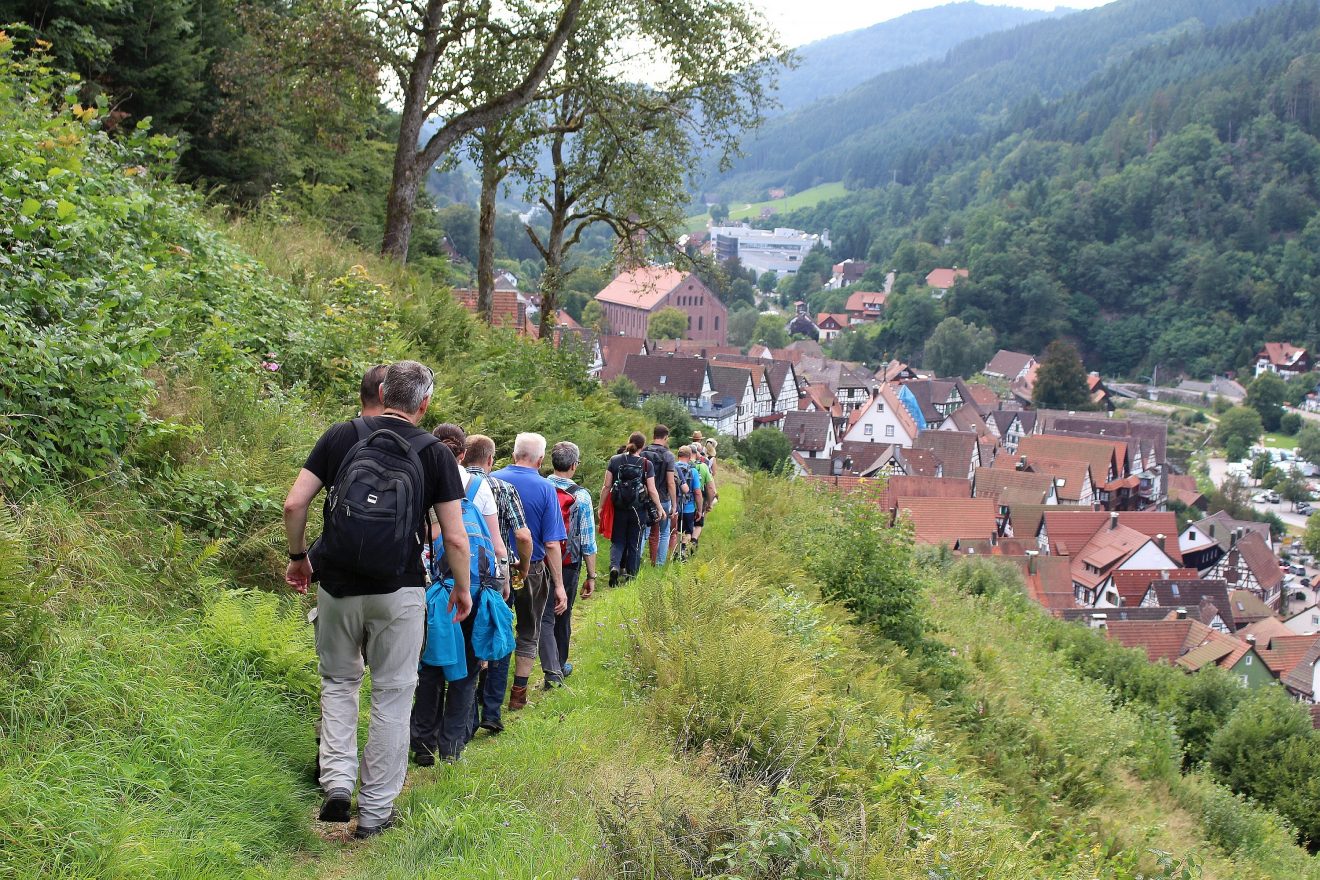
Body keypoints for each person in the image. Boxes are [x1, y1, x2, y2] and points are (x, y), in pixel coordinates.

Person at [283, 360, 469, 839]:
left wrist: (300, 557)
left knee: (339, 683)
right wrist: (464, 590)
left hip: (337, 587)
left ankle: (338, 783)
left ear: (383, 391)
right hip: (399, 590)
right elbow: (455, 537)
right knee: (392, 693)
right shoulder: (435, 455)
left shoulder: (341, 435)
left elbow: (294, 503)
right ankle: (374, 813)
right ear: (424, 404)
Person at [409, 424, 508, 766]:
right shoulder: (480, 486)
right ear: (463, 453)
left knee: (431, 667)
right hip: (476, 590)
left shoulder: (419, 477)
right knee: (467, 671)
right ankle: (452, 748)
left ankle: (422, 744)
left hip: (431, 590)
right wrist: (503, 582)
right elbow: (495, 545)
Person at [491, 433, 567, 712]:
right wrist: (559, 585)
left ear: (513, 455)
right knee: (528, 630)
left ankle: (487, 693)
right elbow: (551, 543)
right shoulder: (546, 488)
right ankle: (518, 695)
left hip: (495, 569)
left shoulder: (492, 479)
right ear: (541, 459)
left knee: (493, 626)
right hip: (531, 570)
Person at [463, 433, 533, 735]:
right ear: (491, 459)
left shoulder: (454, 481)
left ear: (464, 455)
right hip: (493, 573)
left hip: (457, 570)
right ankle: (491, 710)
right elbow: (521, 534)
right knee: (499, 636)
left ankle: (464, 714)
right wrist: (521, 569)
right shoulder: (504, 489)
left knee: (465, 641)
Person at [541, 441, 597, 687]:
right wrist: (592, 575)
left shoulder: (540, 486)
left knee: (541, 616)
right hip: (567, 562)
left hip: (537, 559)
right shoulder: (581, 496)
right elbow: (587, 540)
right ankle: (559, 667)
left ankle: (545, 665)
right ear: (574, 465)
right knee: (562, 615)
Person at [602, 432, 663, 586]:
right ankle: (631, 577)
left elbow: (607, 486)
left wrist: (601, 506)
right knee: (634, 543)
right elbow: (652, 489)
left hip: (619, 507)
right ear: (642, 447)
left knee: (618, 541)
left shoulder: (615, 460)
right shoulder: (646, 464)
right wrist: (659, 508)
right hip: (638, 510)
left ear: (628, 442)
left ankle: (615, 566)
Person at [640, 425, 677, 566]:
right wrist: (674, 504)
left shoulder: (643, 452)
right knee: (664, 532)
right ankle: (660, 565)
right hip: (663, 499)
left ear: (653, 435)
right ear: (666, 437)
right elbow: (671, 482)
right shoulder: (668, 455)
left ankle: (636, 563)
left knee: (645, 532)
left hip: (645, 498)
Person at [674, 445, 704, 560]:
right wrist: (700, 510)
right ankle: (682, 554)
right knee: (687, 532)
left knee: (674, 531)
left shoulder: (672, 468)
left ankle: (674, 552)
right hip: (689, 507)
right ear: (689, 456)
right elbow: (697, 492)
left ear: (678, 455)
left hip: (674, 506)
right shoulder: (693, 471)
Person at [689, 443, 716, 554]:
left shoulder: (680, 465)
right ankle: (694, 541)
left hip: (684, 502)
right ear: (697, 453)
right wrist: (709, 504)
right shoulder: (703, 466)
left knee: (685, 526)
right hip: (699, 501)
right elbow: (711, 489)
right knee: (698, 524)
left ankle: (683, 546)